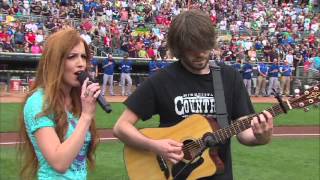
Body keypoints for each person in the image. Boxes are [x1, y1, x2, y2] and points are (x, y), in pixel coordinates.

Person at [113, 10, 274, 180]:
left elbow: (243, 130)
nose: (200, 54)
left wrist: (260, 137)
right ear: (178, 49)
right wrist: (155, 146)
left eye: (204, 47)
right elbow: (121, 127)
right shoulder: (162, 79)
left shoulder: (229, 77)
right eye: (191, 49)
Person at [19, 28, 100, 180]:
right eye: (72, 57)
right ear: (55, 61)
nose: (81, 64)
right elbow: (59, 163)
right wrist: (87, 116)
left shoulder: (77, 101)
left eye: (83, 57)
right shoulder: (38, 103)